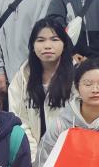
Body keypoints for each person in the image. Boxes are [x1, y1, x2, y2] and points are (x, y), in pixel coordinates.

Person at [36, 58, 99, 167]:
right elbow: (43, 163)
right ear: (77, 87)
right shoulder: (61, 124)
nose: (95, 90)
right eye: (88, 84)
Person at [8, 18, 75, 150]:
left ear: (64, 44)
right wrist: (34, 155)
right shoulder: (22, 77)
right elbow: (18, 120)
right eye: (40, 40)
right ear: (33, 46)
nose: (47, 46)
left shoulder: (77, 76)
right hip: (32, 152)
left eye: (54, 39)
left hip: (68, 151)